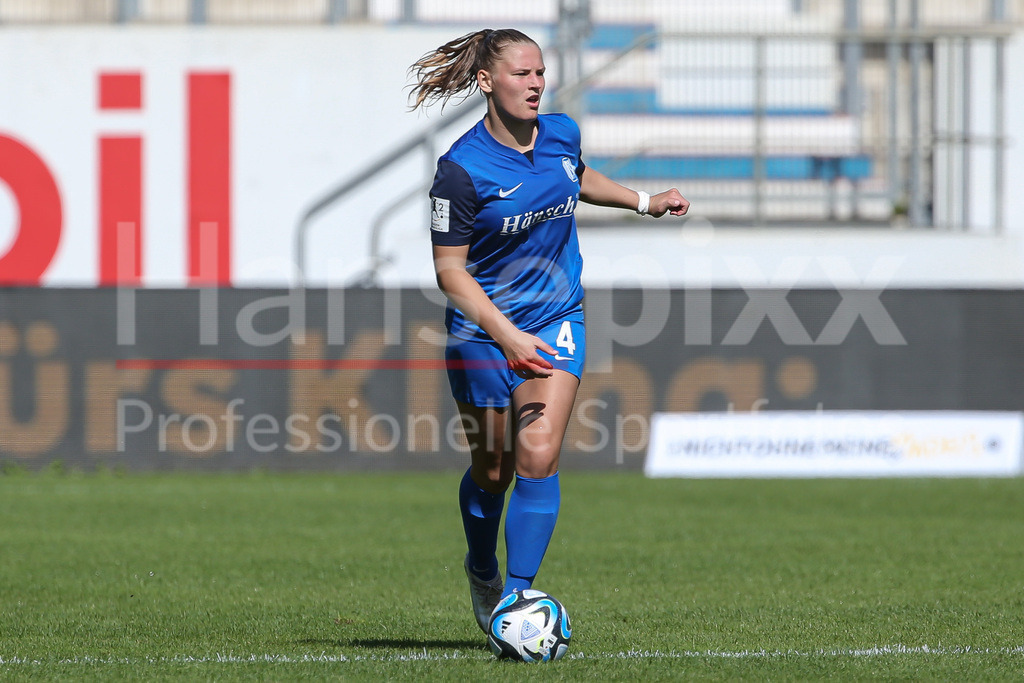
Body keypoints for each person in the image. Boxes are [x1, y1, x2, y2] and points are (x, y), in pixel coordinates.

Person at [408, 28, 689, 633]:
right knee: (492, 468)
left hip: (556, 316)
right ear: (486, 82)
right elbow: (449, 272)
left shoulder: (561, 131)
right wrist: (505, 335)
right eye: (521, 75)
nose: (536, 85)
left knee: (537, 452)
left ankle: (515, 601)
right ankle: (481, 568)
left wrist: (645, 201)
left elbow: (576, 176)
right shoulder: (460, 171)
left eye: (540, 73)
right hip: (483, 332)